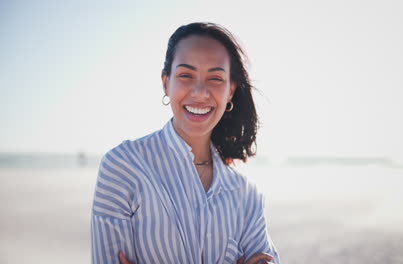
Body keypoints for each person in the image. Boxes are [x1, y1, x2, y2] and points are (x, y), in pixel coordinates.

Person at [90, 22, 280, 264]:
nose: (200, 92)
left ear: (230, 90)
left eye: (215, 78)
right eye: (186, 76)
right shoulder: (122, 167)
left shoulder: (247, 195)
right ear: (165, 82)